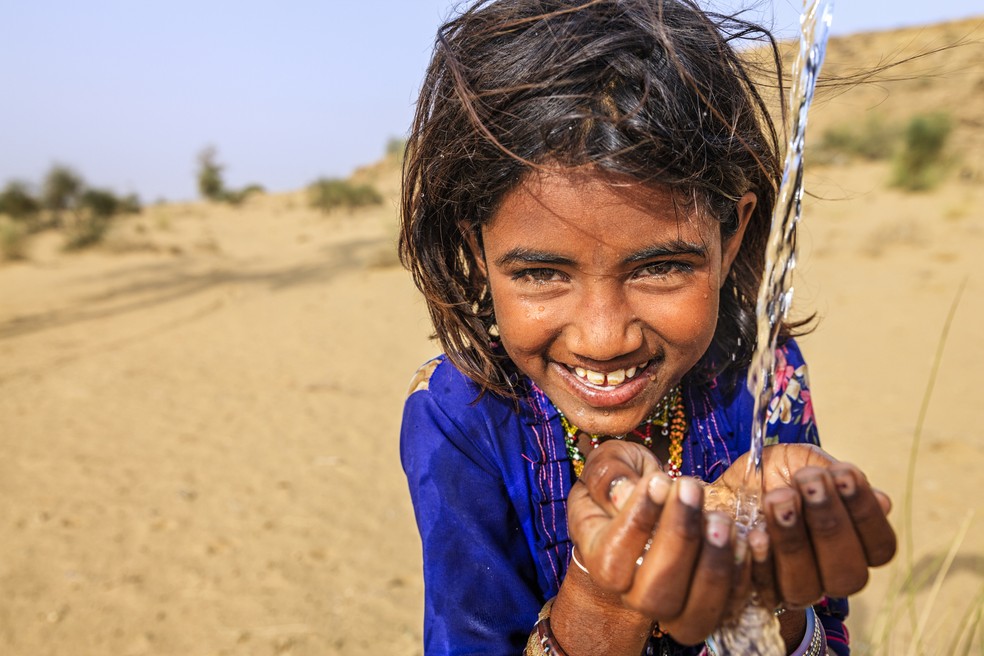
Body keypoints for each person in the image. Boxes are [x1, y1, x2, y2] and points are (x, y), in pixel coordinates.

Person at [397, 1, 897, 654]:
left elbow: (821, 631)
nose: (604, 338)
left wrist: (771, 598)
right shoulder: (462, 415)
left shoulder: (762, 373)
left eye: (660, 267)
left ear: (733, 231)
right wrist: (600, 601)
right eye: (542, 274)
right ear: (479, 247)